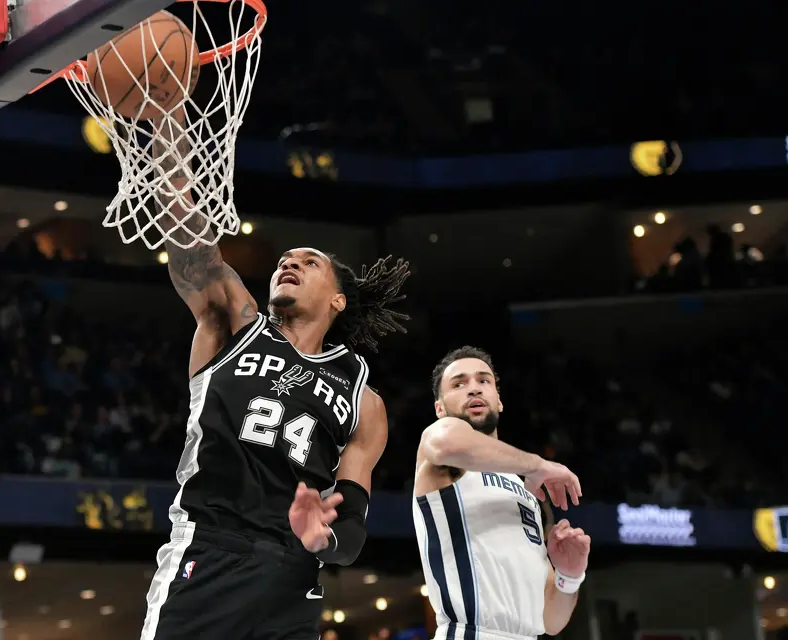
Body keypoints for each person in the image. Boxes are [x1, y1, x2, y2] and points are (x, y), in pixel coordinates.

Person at [141, 111, 411, 640]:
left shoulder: (364, 399)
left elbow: (352, 530)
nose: (289, 263)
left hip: (292, 580)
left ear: (338, 300)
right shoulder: (233, 324)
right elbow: (188, 231)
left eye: (309, 262)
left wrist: (320, 539)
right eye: (284, 260)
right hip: (209, 553)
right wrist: (165, 123)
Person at [413, 346, 591, 640]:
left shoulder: (528, 490)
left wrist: (569, 577)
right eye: (459, 384)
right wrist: (539, 464)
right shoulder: (441, 459)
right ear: (440, 409)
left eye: (483, 380)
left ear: (499, 400)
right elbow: (445, 443)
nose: (473, 388)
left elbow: (551, 621)